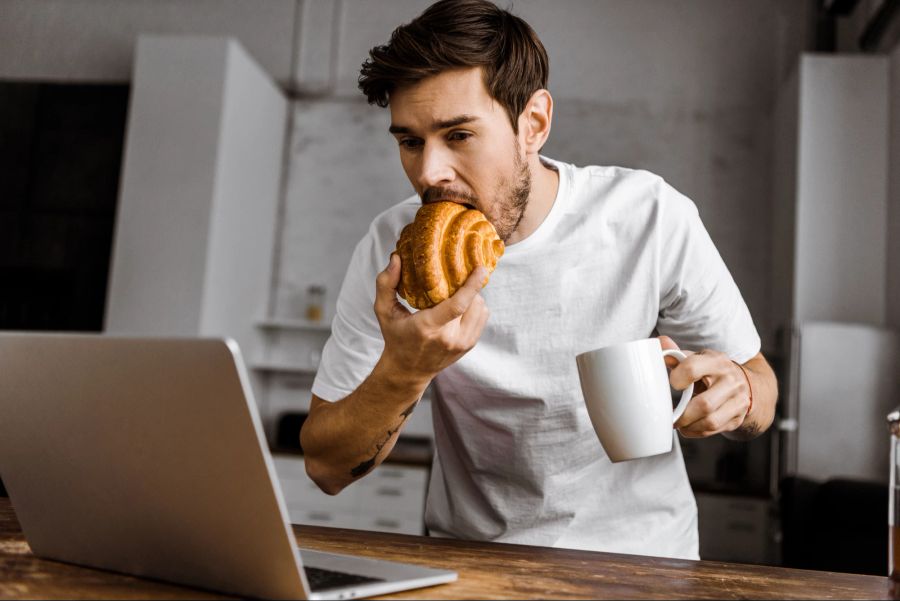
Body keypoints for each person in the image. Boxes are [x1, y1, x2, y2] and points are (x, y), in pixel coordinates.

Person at [299, 0, 777, 560]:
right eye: (409, 141)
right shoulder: (394, 249)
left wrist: (739, 397)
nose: (429, 172)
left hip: (645, 562)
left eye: (458, 136)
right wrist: (404, 370)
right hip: (472, 562)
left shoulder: (649, 215)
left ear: (534, 124)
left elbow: (760, 386)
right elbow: (326, 467)